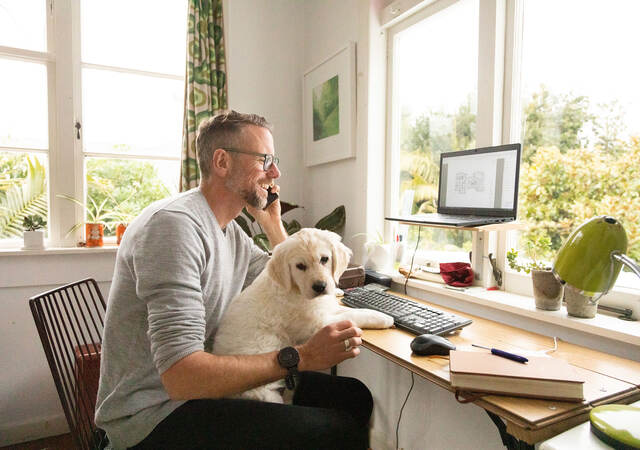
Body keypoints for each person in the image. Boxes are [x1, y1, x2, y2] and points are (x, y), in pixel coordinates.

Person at [95, 110, 374, 449]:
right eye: (264, 160)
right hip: (155, 414)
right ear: (222, 161)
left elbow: (281, 278)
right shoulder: (174, 227)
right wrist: (301, 357)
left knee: (354, 397)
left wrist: (272, 224)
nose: (275, 172)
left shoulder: (227, 231)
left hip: (199, 390)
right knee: (337, 430)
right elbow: (182, 377)